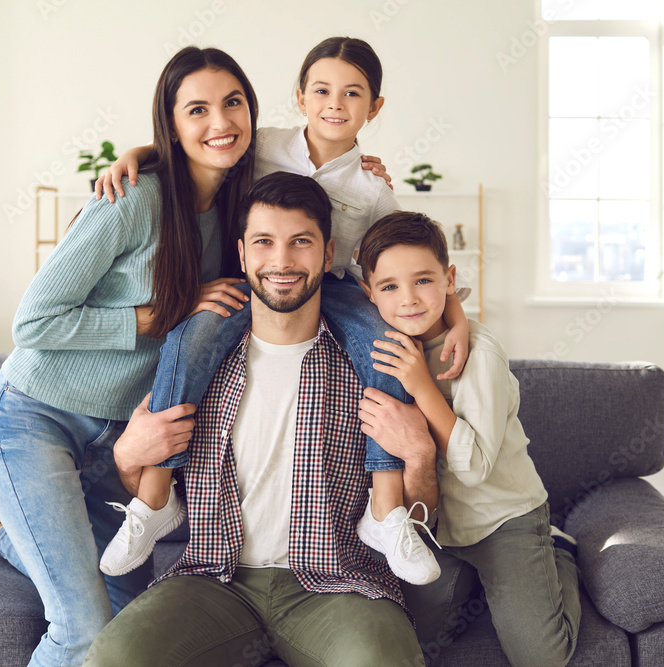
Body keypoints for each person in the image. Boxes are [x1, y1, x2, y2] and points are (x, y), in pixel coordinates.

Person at [0, 46, 261, 667]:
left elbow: (325, 152)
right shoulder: (133, 201)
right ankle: (10, 521)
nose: (219, 121)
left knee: (128, 626)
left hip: (116, 446)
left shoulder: (238, 209)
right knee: (83, 626)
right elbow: (34, 321)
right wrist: (159, 314)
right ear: (170, 125)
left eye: (233, 103)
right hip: (32, 422)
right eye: (196, 109)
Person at [96, 37, 470, 586]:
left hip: (335, 286)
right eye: (321, 90)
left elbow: (411, 254)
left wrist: (456, 315)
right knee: (191, 335)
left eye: (352, 93)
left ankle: (387, 510)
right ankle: (154, 501)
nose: (335, 103)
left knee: (388, 349)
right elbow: (202, 144)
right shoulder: (265, 143)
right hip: (255, 280)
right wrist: (136, 155)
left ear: (375, 107)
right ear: (299, 97)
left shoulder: (372, 187)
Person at [84, 172, 429, 666]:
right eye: (264, 243)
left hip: (338, 585)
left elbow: (432, 511)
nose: (282, 261)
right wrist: (125, 456)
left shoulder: (376, 364)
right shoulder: (197, 363)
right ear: (242, 255)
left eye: (301, 243)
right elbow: (126, 483)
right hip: (212, 580)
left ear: (328, 254)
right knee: (114, 660)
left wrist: (419, 454)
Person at [355, 211, 582, 667]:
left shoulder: (479, 354)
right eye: (390, 287)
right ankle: (475, 584)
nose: (410, 300)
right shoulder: (386, 343)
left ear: (448, 279)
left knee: (543, 658)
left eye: (424, 281)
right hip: (440, 530)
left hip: (504, 520)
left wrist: (422, 385)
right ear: (369, 294)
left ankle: (559, 555)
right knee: (413, 642)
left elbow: (474, 468)